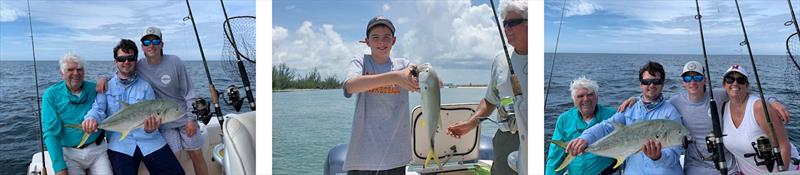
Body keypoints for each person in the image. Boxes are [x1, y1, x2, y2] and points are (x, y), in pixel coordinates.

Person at [617, 61, 793, 174]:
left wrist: (772, 101)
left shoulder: (719, 95)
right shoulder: (675, 103)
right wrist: (635, 99)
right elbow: (654, 100)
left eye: (697, 77)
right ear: (682, 82)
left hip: (727, 162)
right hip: (696, 164)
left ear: (705, 80)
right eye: (688, 77)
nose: (692, 81)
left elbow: (741, 92)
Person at [97, 26, 208, 175]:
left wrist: (191, 118)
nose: (151, 45)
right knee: (174, 156)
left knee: (196, 154)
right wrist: (105, 78)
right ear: (142, 46)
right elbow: (122, 71)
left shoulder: (175, 62)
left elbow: (189, 92)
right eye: (147, 42)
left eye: (156, 41)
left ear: (162, 44)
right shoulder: (139, 65)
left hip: (182, 115)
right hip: (161, 122)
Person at [446, 0, 528, 174]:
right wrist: (470, 123)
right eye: (504, 24)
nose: (507, 29)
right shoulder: (499, 59)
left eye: (513, 23)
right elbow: (490, 100)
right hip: (505, 138)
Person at [82, 39, 184, 175]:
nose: (126, 62)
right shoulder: (106, 86)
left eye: (130, 58)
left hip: (150, 141)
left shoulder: (145, 86)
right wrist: (91, 119)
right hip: (120, 145)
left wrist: (150, 129)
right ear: (115, 62)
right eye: (121, 59)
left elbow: (154, 114)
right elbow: (98, 109)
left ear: (136, 60)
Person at [565, 61, 684, 175]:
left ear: (663, 83)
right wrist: (585, 139)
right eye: (646, 82)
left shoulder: (671, 114)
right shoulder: (629, 108)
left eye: (656, 81)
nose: (651, 85)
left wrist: (658, 157)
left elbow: (674, 155)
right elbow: (606, 126)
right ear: (640, 84)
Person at [341, 15, 418, 175]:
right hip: (362, 156)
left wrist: (422, 73)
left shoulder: (403, 65)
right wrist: (394, 77)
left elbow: (417, 73)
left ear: (394, 41)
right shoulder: (361, 61)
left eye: (386, 38)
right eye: (375, 37)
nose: (381, 42)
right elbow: (350, 86)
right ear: (367, 41)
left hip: (396, 153)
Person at [41, 53, 112, 175]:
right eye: (70, 70)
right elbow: (51, 133)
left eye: (79, 69)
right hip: (70, 154)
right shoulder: (51, 95)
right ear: (62, 74)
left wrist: (106, 78)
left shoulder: (94, 88)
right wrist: (59, 168)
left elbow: (119, 80)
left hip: (97, 150)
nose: (76, 73)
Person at [720, 64, 798, 174]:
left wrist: (783, 173)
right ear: (724, 85)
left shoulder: (759, 107)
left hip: (783, 171)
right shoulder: (723, 108)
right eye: (730, 79)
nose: (735, 83)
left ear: (747, 85)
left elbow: (784, 145)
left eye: (741, 80)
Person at [545, 76, 616, 175]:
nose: (586, 99)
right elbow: (555, 156)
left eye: (590, 95)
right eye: (580, 96)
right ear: (574, 100)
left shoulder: (612, 115)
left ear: (597, 97)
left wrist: (635, 99)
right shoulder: (564, 119)